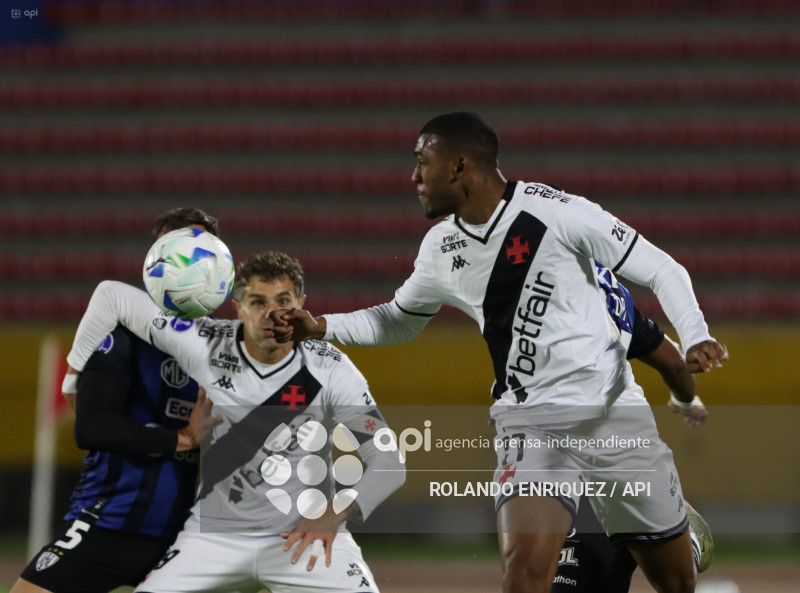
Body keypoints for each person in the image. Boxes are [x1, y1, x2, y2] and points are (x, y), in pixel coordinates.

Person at [271, 111, 729, 593]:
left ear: (458, 166)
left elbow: (663, 269)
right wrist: (320, 326)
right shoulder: (440, 248)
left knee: (678, 583)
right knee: (524, 576)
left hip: (613, 419)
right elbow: (399, 319)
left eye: (421, 162)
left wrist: (695, 334)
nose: (413, 177)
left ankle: (675, 525)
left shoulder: (556, 213)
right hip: (529, 423)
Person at [63, 251, 405, 592]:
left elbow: (388, 461)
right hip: (211, 539)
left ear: (301, 304)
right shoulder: (205, 343)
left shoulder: (331, 368)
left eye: (283, 301)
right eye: (257, 302)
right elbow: (112, 296)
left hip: (303, 538)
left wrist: (334, 514)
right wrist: (73, 373)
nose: (272, 314)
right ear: (237, 307)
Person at [12, 208, 223, 593]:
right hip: (107, 522)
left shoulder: (223, 350)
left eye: (203, 249)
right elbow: (92, 427)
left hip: (182, 540)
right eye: (181, 247)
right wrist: (182, 439)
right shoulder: (121, 334)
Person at [552, 263, 713, 593]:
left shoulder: (578, 293)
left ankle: (671, 536)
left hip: (608, 452)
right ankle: (664, 532)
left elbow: (665, 273)